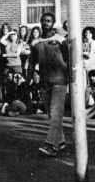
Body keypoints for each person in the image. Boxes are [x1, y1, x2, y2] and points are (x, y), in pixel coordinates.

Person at [29, 13, 68, 157]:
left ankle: (51, 144)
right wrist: (29, 79)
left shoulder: (60, 40)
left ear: (53, 23)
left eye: (49, 21)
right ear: (40, 22)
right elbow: (32, 62)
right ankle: (61, 140)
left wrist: (71, 78)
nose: (46, 23)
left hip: (59, 81)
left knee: (56, 113)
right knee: (51, 115)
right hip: (44, 82)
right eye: (44, 21)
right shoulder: (35, 42)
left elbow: (69, 59)